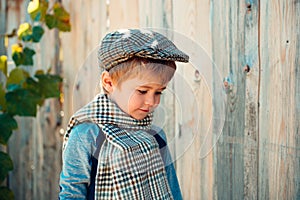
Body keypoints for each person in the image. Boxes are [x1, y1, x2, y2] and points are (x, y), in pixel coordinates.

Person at [59, 29, 189, 200]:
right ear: (108, 82)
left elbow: (172, 190)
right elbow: (72, 193)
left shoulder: (156, 136)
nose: (152, 101)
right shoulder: (86, 135)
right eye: (142, 91)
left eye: (159, 92)